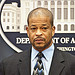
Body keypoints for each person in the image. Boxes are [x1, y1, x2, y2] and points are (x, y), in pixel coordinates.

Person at [0, 7, 75, 75]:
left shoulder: (72, 64)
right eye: (33, 28)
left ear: (52, 30)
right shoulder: (8, 65)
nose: (38, 33)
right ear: (27, 31)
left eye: (44, 28)